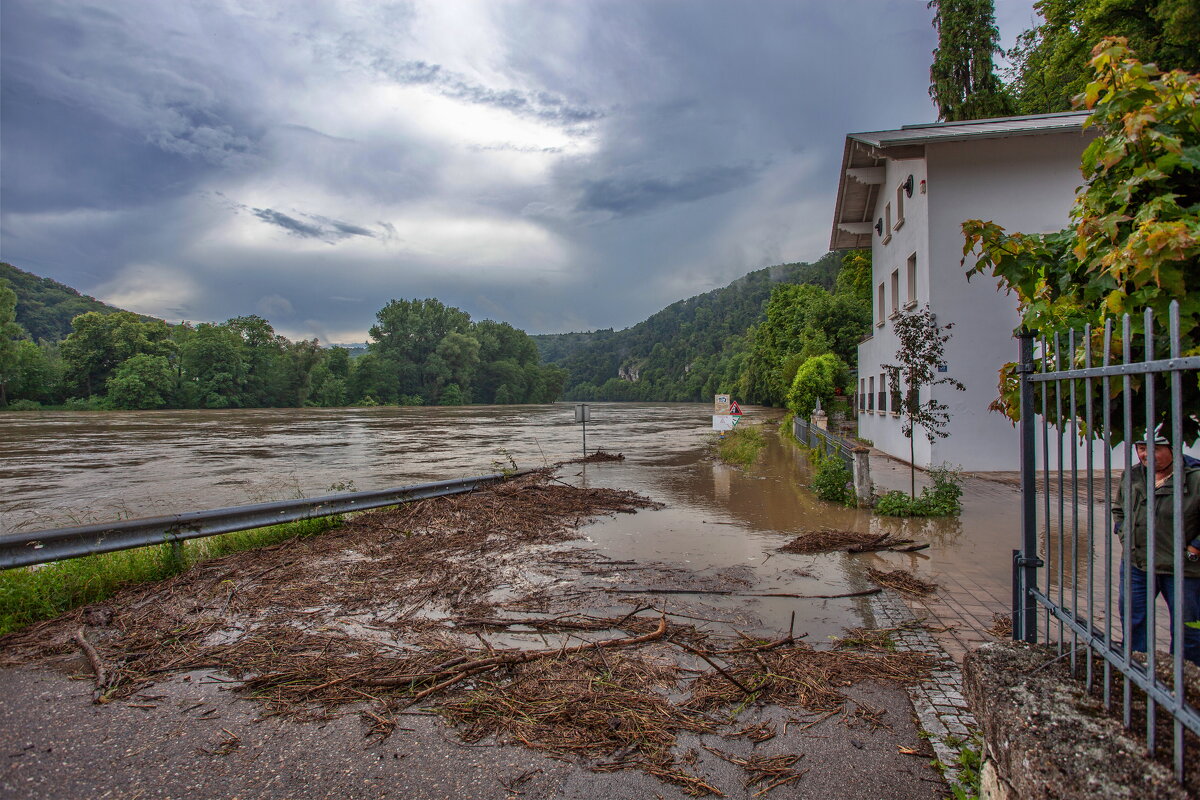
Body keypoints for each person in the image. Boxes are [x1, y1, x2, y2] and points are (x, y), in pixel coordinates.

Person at [1113, 427, 1200, 665]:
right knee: (1134, 620)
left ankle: (1185, 675)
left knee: (1188, 628)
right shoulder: (1133, 475)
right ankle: (1138, 669)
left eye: (1155, 449)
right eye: (1141, 448)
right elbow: (1119, 508)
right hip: (1137, 564)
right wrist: (1123, 533)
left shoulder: (1195, 477)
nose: (1146, 455)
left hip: (1182, 569)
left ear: (1173, 449)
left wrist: (1195, 548)